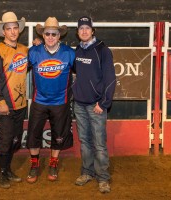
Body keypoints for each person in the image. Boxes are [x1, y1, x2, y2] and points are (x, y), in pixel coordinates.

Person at [26, 17, 75, 183]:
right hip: (39, 101)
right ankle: (34, 165)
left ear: (59, 35)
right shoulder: (33, 52)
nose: (51, 36)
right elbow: (17, 72)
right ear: (43, 35)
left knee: (58, 136)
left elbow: (83, 73)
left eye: (54, 33)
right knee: (33, 135)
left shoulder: (69, 53)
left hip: (60, 102)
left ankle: (53, 163)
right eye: (47, 33)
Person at [72, 16, 116, 193]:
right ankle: (87, 172)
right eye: (81, 28)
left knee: (98, 143)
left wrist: (104, 103)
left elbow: (111, 79)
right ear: (78, 32)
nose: (84, 31)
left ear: (93, 31)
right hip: (79, 104)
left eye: (87, 28)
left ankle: (103, 177)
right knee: (84, 141)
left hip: (96, 105)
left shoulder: (102, 50)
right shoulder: (77, 51)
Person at [0, 11, 28, 189]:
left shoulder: (24, 49)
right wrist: (0, 101)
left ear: (18, 30)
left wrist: (38, 44)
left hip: (20, 104)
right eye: (8, 29)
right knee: (4, 140)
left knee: (13, 139)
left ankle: (7, 169)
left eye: (15, 28)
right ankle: (1, 172)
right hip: (4, 104)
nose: (12, 32)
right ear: (3, 31)